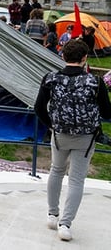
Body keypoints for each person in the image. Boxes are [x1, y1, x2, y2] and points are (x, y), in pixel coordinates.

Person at [35, 39, 111, 241]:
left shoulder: (50, 78)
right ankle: (65, 225)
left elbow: (38, 108)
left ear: (63, 56)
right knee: (77, 179)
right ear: (85, 58)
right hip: (86, 138)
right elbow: (106, 112)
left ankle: (52, 214)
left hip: (59, 135)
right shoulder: (95, 82)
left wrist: (51, 125)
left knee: (56, 170)